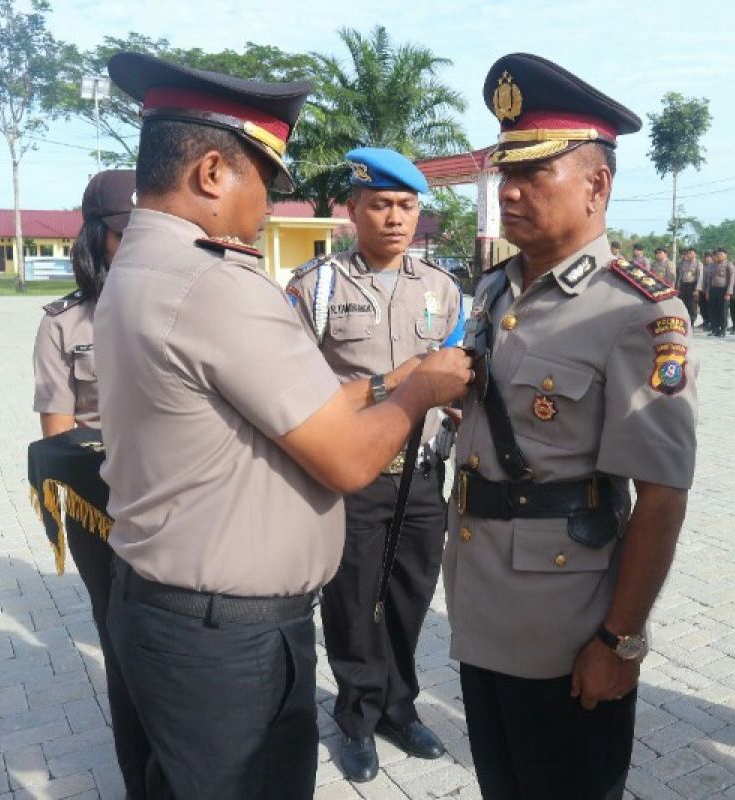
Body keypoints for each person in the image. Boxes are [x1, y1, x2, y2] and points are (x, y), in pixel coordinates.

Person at [93, 52, 471, 799]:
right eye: (264, 182)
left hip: (165, 605)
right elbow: (345, 459)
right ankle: (363, 711)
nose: (266, 207)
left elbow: (273, 402)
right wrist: (421, 387)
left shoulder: (141, 266)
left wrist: (388, 384)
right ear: (209, 173)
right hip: (226, 638)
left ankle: (394, 704)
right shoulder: (218, 283)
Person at [446, 52, 698, 800]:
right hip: (481, 594)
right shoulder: (496, 287)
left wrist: (620, 639)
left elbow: (662, 494)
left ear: (597, 185)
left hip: (568, 623)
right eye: (505, 175)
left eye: (533, 175)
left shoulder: (638, 311)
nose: (511, 194)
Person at [285, 148, 463, 782]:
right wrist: (396, 385)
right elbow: (295, 392)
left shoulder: (443, 289)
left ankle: (399, 707)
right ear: (352, 209)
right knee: (354, 602)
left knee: (410, 596)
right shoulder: (317, 287)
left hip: (421, 476)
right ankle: (356, 717)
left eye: (407, 206)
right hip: (354, 476)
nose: (395, 218)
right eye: (381, 205)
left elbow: (454, 375)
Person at [30, 169, 151, 799]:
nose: (137, 245)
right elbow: (59, 436)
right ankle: (139, 773)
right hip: (100, 503)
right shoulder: (63, 324)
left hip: (178, 499)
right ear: (96, 235)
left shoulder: (176, 308)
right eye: (125, 233)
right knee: (121, 634)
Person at [707, 247, 735, 337]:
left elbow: (732, 279)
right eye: (718, 254)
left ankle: (723, 329)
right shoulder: (713, 265)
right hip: (713, 290)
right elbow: (709, 279)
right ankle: (715, 329)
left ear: (725, 255)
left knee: (723, 311)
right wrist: (707, 291)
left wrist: (728, 292)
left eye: (721, 254)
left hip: (723, 290)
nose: (719, 256)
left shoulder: (729, 265)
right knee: (713, 310)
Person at [677, 246, 703, 326]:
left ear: (695, 254)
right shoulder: (684, 263)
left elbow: (700, 276)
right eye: (688, 253)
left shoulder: (698, 263)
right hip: (684, 285)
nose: (689, 254)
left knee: (691, 304)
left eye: (691, 253)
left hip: (692, 285)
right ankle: (684, 320)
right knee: (683, 303)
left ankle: (692, 320)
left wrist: (697, 289)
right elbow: (681, 275)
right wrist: (678, 286)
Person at [698, 250, 715, 331]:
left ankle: (711, 322)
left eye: (708, 257)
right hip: (702, 289)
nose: (707, 259)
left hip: (710, 290)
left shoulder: (713, 266)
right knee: (702, 306)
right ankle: (705, 321)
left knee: (710, 307)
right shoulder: (703, 267)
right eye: (705, 258)